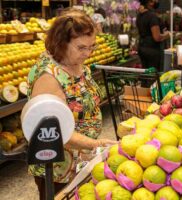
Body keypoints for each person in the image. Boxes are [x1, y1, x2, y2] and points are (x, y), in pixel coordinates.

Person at [27, 9, 117, 199]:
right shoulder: (49, 77)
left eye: (92, 46)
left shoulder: (77, 65)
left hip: (80, 162)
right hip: (58, 169)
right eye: (81, 47)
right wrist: (96, 144)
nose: (88, 53)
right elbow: (53, 131)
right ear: (61, 44)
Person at [136, 0, 170, 72]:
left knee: (145, 73)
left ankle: (145, 83)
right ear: (150, 2)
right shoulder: (152, 16)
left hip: (142, 47)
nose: (156, 2)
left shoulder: (139, 15)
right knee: (153, 75)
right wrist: (166, 35)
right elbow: (157, 37)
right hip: (152, 50)